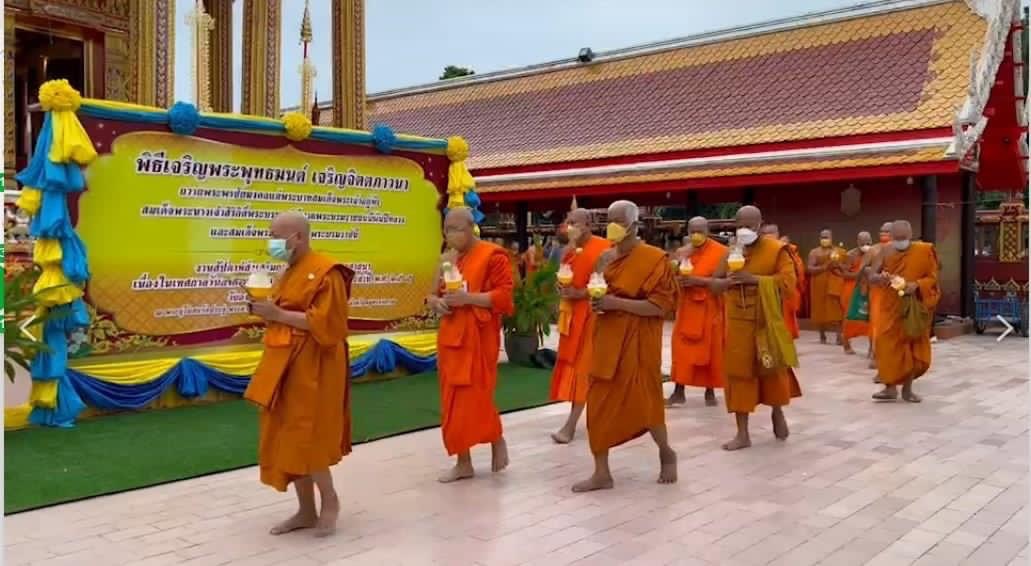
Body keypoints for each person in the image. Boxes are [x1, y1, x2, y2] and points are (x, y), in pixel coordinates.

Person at [244, 211, 354, 537]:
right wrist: (265, 311)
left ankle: (330, 501)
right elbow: (284, 315)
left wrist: (277, 313)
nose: (272, 243)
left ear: (299, 237)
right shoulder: (288, 271)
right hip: (284, 361)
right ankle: (306, 510)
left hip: (317, 363)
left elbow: (330, 324)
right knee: (288, 434)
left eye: (277, 237)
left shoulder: (327, 271)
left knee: (310, 432)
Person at [573, 200, 678, 492]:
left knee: (646, 401)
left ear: (634, 224)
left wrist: (616, 303)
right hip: (607, 337)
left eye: (619, 220)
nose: (613, 225)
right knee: (598, 403)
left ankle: (666, 451)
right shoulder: (604, 258)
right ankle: (601, 472)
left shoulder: (654, 259)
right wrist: (596, 302)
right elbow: (596, 292)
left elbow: (660, 307)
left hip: (638, 340)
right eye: (609, 219)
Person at [427, 208, 515, 482]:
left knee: (477, 395)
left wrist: (468, 299)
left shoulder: (493, 255)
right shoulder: (447, 259)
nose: (451, 235)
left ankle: (495, 437)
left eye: (456, 229)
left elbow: (504, 298)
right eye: (447, 229)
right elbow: (431, 295)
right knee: (452, 401)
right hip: (451, 337)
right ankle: (463, 462)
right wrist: (436, 303)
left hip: (479, 337)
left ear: (471, 227)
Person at [713, 206, 802, 451]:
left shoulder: (777, 250)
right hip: (738, 320)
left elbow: (788, 284)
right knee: (738, 374)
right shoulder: (731, 251)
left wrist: (754, 280)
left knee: (771, 368)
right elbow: (715, 281)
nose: (745, 230)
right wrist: (725, 282)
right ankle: (742, 433)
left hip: (766, 319)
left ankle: (777, 411)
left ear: (760, 225)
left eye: (750, 225)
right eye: (740, 225)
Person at [549, 209, 611, 443]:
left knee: (584, 369)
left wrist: (580, 293)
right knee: (579, 367)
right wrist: (561, 288)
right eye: (568, 222)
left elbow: (606, 283)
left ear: (589, 224)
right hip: (572, 317)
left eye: (575, 222)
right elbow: (565, 276)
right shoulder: (568, 250)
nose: (570, 226)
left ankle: (571, 425)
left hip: (594, 316)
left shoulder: (604, 249)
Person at [869, 220, 940, 402]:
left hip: (913, 306)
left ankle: (908, 390)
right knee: (886, 346)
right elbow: (871, 276)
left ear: (910, 235)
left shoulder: (924, 250)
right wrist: (881, 277)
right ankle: (889, 388)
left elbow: (933, 277)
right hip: (890, 306)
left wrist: (916, 285)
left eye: (903, 238)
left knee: (911, 346)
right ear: (892, 237)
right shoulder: (885, 250)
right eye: (897, 238)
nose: (900, 242)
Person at [667, 217, 726, 408]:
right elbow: (670, 276)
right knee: (681, 350)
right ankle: (679, 391)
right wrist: (677, 264)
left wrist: (698, 281)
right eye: (692, 231)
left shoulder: (721, 252)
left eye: (700, 231)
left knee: (710, 351)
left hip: (709, 308)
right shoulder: (683, 252)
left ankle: (710, 391)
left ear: (708, 231)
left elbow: (724, 282)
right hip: (686, 308)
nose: (696, 235)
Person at [760, 225, 805, 340]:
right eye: (765, 233)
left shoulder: (786, 251)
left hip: (783, 294)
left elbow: (794, 274)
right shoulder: (757, 251)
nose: (768, 236)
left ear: (777, 234)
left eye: (771, 233)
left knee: (784, 329)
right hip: (763, 295)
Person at [807, 228, 846, 344]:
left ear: (831, 238)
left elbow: (845, 267)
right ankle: (822, 335)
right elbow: (810, 268)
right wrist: (825, 267)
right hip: (819, 283)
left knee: (836, 309)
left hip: (834, 282)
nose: (825, 239)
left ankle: (839, 336)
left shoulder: (838, 251)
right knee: (820, 309)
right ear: (819, 238)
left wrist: (838, 265)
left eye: (827, 237)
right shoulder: (814, 252)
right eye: (823, 237)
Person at [865, 222, 893, 376]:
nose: (884, 234)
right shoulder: (874, 249)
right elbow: (865, 269)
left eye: (887, 232)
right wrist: (880, 274)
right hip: (878, 291)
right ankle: (875, 353)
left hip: (896, 291)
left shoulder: (901, 250)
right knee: (877, 322)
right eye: (882, 231)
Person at [840, 231, 873, 355]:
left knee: (871, 317)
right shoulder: (850, 255)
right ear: (858, 242)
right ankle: (846, 343)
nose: (865, 245)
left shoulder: (874, 253)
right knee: (849, 317)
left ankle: (872, 348)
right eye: (862, 243)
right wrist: (858, 274)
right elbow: (844, 274)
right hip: (852, 288)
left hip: (869, 287)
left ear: (871, 241)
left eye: (868, 242)